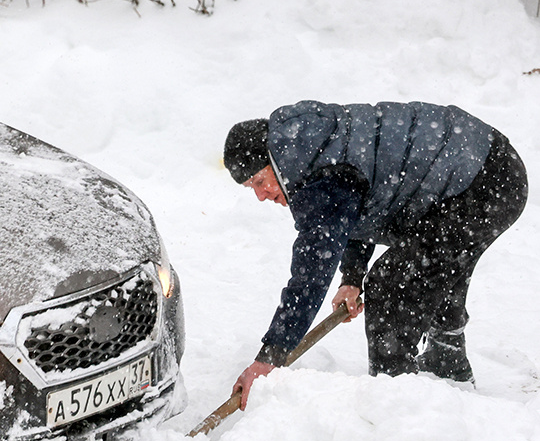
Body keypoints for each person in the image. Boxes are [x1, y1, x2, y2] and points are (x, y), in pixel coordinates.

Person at [224, 100, 528, 410]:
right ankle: (446, 362)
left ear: (275, 162)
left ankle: (394, 405)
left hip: (483, 181)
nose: (261, 196)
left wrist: (270, 357)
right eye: (253, 189)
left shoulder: (318, 173)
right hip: (488, 165)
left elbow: (311, 275)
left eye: (260, 182)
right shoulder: (311, 146)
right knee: (431, 265)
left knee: (393, 283)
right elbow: (363, 203)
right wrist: (352, 278)